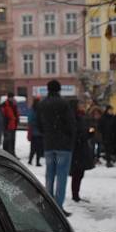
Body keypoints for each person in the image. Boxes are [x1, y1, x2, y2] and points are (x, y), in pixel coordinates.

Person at [37, 80, 76, 215]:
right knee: (61, 176)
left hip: (49, 144)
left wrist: (47, 134)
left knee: (49, 175)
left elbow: (38, 123)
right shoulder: (64, 104)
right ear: (59, 89)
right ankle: (58, 207)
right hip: (63, 146)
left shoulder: (42, 104)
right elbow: (71, 124)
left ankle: (48, 206)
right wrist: (70, 138)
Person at [70, 100, 95, 202]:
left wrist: (90, 133)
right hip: (77, 150)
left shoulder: (81, 117)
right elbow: (77, 135)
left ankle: (76, 194)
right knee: (77, 173)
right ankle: (75, 195)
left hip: (81, 149)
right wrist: (87, 134)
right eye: (80, 105)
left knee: (80, 173)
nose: (82, 106)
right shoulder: (74, 118)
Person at [27, 97, 44, 166]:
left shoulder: (32, 110)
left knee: (33, 148)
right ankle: (37, 162)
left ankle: (30, 160)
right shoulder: (40, 110)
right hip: (40, 132)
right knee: (39, 148)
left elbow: (30, 120)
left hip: (34, 132)